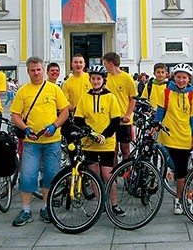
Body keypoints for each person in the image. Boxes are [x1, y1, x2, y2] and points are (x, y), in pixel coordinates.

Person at [10, 56, 70, 226]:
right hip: (32, 141)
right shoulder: (23, 91)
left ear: (43, 70)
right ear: (28, 72)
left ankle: (46, 207)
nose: (36, 73)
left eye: (38, 70)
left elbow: (64, 111)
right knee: (28, 175)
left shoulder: (53, 89)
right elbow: (15, 114)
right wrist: (25, 128)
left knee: (51, 175)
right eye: (32, 70)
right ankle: (26, 210)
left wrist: (54, 125)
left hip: (52, 140)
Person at [73, 65, 124, 216]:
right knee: (94, 175)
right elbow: (78, 119)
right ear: (90, 80)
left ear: (103, 80)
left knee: (108, 175)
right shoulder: (85, 97)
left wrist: (104, 135)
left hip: (106, 143)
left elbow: (115, 121)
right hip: (89, 143)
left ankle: (114, 204)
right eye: (93, 78)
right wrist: (91, 133)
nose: (95, 81)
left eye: (98, 79)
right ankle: (101, 203)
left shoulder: (110, 97)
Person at [153, 63, 193, 214]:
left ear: (189, 79)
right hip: (167, 138)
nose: (181, 80)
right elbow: (160, 113)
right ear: (174, 77)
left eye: (184, 77)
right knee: (178, 172)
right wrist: (154, 127)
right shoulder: (166, 93)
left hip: (184, 139)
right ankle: (183, 198)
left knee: (181, 172)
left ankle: (182, 199)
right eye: (178, 77)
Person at [103, 52, 137, 164]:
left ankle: (127, 173)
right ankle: (114, 175)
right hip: (111, 119)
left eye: (105, 64)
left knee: (125, 149)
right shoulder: (106, 78)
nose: (105, 66)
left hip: (124, 120)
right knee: (112, 149)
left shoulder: (127, 78)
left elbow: (133, 98)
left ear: (110, 63)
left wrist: (128, 115)